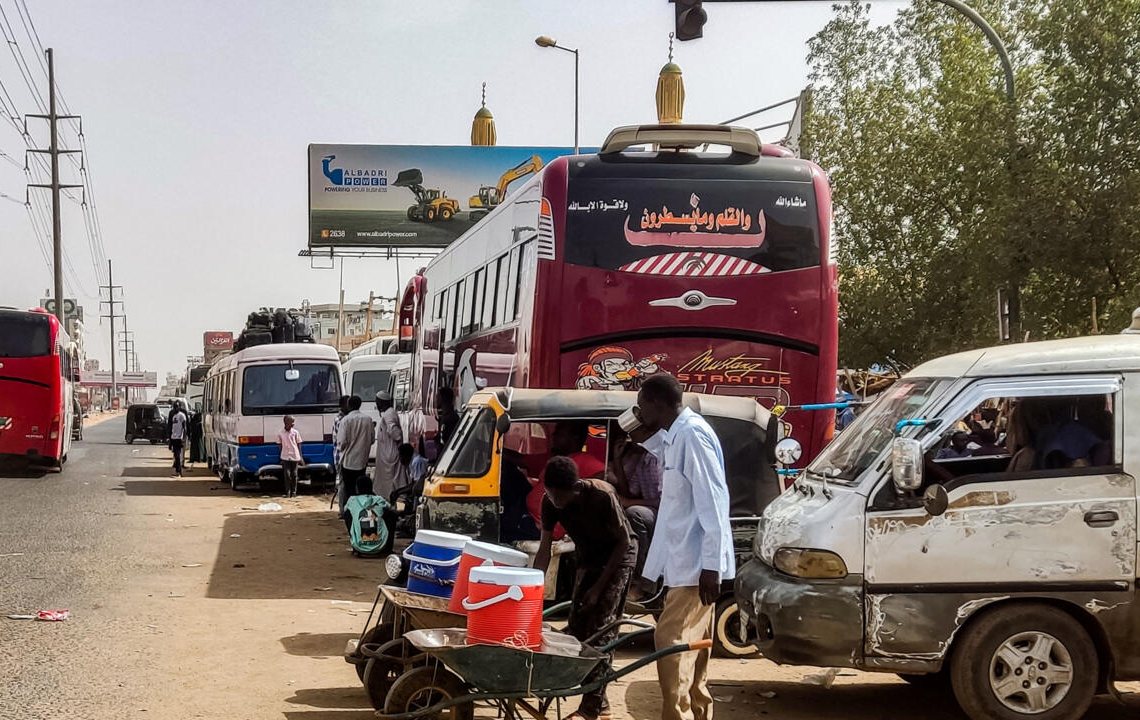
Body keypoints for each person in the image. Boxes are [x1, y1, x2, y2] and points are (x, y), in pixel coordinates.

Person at [635, 374, 733, 720]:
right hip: (683, 561)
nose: (638, 409)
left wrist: (711, 565)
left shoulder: (692, 434)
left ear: (657, 403)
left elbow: (714, 501)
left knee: (670, 640)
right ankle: (697, 712)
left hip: (696, 564)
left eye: (641, 403)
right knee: (695, 645)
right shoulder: (676, 435)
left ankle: (676, 715)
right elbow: (675, 507)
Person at [534, 456, 635, 720]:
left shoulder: (602, 496)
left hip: (618, 559)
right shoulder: (549, 503)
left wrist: (598, 588)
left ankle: (590, 709)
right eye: (551, 494)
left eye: (560, 496)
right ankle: (600, 701)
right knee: (577, 629)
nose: (555, 501)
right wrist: (531, 589)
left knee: (602, 632)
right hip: (588, 559)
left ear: (574, 488)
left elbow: (624, 542)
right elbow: (544, 548)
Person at [606, 424, 662, 599]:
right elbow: (629, 492)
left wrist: (629, 503)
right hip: (651, 511)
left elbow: (665, 501)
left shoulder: (657, 459)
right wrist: (617, 458)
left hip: (665, 515)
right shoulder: (643, 461)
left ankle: (639, 579)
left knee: (636, 513)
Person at [525, 420, 606, 539]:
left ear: (575, 438)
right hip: (530, 516)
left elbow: (603, 478)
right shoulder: (556, 459)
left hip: (543, 527)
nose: (554, 437)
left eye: (560, 434)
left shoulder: (587, 461)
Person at [337, 395, 375, 530]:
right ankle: (363, 512)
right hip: (362, 460)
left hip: (348, 461)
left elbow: (341, 443)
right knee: (362, 489)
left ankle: (350, 513)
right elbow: (372, 439)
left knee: (349, 489)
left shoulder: (346, 420)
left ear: (349, 405)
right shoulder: (368, 419)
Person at [374, 391, 404, 499]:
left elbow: (395, 433)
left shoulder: (389, 414)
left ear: (382, 402)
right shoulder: (388, 413)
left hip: (389, 455)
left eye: (377, 402)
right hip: (387, 455)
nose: (376, 405)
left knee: (389, 483)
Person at [331, 395, 351, 512]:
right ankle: (342, 510)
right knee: (343, 483)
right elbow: (342, 442)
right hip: (341, 456)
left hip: (343, 455)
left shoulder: (345, 418)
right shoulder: (341, 420)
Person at [277, 415, 303, 498]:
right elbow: (279, 445)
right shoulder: (280, 433)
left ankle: (294, 492)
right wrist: (281, 454)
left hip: (295, 455)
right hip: (285, 456)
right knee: (287, 475)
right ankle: (287, 492)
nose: (293, 424)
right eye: (291, 422)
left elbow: (299, 444)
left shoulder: (295, 432)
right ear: (286, 422)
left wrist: (300, 456)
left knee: (294, 474)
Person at [436, 386, 460, 457]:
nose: (435, 398)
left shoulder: (451, 418)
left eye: (437, 396)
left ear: (442, 398)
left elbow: (448, 439)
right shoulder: (444, 416)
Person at [168, 402, 189, 478]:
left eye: (177, 407)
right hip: (174, 437)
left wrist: (184, 437)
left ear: (179, 407)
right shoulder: (174, 416)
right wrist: (170, 440)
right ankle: (177, 471)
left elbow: (184, 427)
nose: (176, 408)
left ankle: (179, 472)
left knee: (178, 455)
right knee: (175, 455)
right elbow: (172, 427)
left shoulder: (182, 415)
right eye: (175, 407)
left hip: (179, 438)